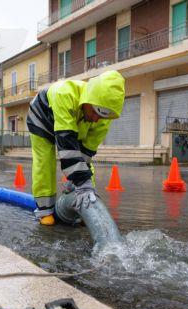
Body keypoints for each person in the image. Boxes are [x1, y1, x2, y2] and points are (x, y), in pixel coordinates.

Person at [27, 70, 125, 226]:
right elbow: (66, 143)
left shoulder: (103, 117)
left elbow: (86, 153)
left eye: (101, 116)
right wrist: (81, 181)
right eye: (94, 112)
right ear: (88, 100)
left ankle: (86, 205)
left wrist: (81, 184)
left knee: (82, 165)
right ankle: (45, 210)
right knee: (45, 162)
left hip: (75, 122)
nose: (96, 119)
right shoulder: (64, 94)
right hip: (41, 117)